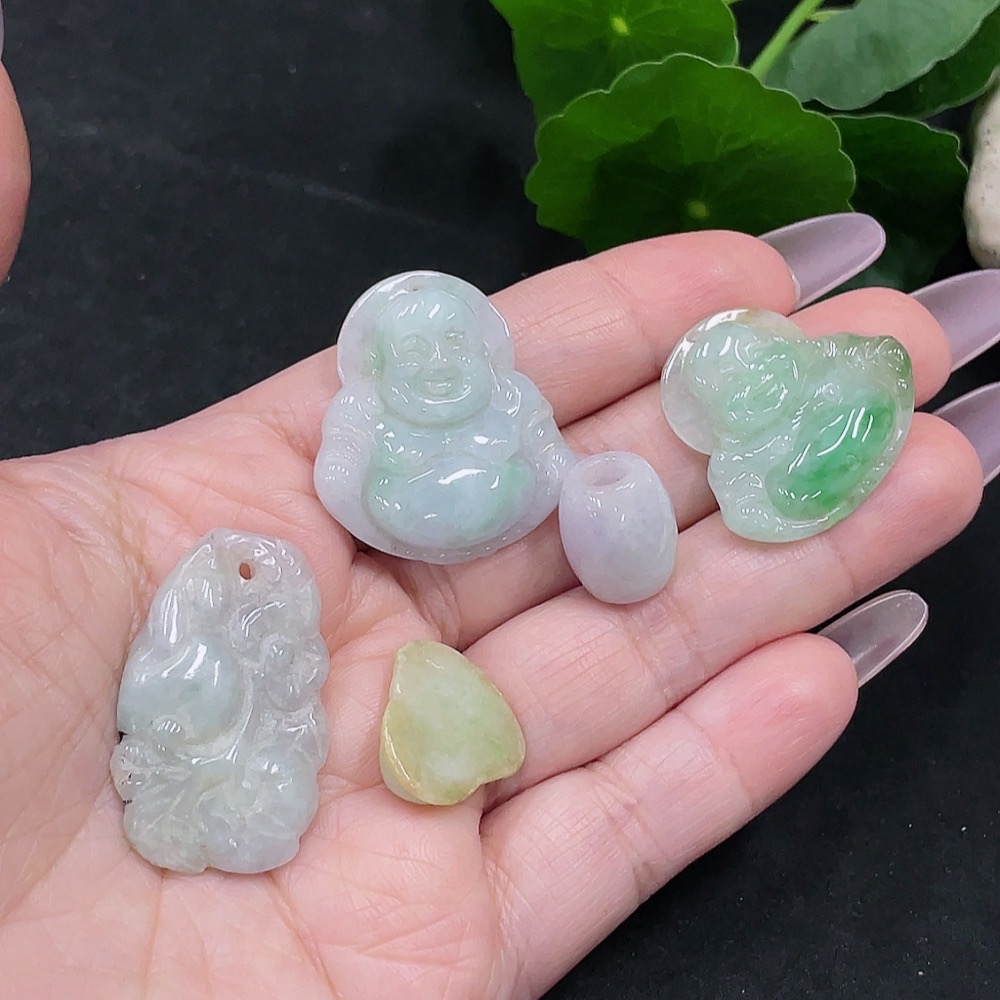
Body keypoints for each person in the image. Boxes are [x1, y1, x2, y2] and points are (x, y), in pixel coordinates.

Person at [0, 56, 993, 999]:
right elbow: (341, 488)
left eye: (452, 342)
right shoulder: (360, 430)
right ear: (378, 369)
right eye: (414, 351)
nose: (437, 362)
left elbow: (554, 466)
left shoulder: (521, 406)